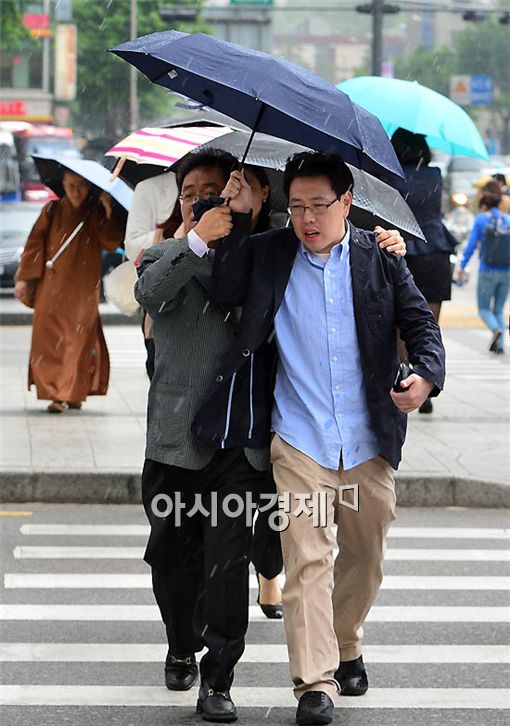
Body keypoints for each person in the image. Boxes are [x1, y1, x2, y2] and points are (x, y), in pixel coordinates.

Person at [134, 148, 405, 723]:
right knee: (173, 562)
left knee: (230, 562)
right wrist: (199, 237)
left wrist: (382, 245)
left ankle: (222, 677)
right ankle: (181, 642)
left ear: (258, 198)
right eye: (191, 194)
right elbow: (151, 292)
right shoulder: (171, 253)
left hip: (245, 442)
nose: (208, 200)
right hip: (179, 441)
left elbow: (335, 258)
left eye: (224, 190)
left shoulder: (273, 254)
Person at [193, 151, 445, 726]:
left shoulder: (380, 257)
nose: (307, 218)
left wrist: (426, 376)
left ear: (346, 202)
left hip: (367, 436)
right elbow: (225, 287)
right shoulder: (270, 253)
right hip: (299, 435)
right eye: (297, 206)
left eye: (318, 205)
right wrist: (235, 213)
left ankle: (346, 639)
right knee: (308, 557)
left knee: (366, 555)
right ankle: (315, 684)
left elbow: (419, 322)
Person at [14, 170, 124, 413]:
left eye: (81, 186)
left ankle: (72, 392)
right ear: (63, 185)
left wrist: (107, 209)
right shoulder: (51, 211)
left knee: (78, 341)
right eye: (71, 185)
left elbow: (111, 243)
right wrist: (24, 279)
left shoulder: (95, 212)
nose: (76, 192)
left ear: (89, 188)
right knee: (49, 341)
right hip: (51, 286)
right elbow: (34, 245)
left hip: (83, 289)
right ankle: (55, 393)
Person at [390, 128, 453, 414]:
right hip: (436, 250)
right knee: (429, 322)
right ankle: (426, 376)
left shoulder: (392, 176)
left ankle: (405, 377)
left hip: (404, 250)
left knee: (401, 323)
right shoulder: (435, 175)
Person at [124, 171, 179, 379]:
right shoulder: (150, 188)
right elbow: (132, 245)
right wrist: (166, 236)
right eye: (189, 194)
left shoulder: (225, 179)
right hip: (164, 304)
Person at [456, 192, 510, 354]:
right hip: (506, 272)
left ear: (484, 205)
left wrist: (462, 266)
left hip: (487, 270)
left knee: (484, 309)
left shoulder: (480, 219)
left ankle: (495, 329)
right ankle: (500, 345)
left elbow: (471, 245)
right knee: (498, 309)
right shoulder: (507, 219)